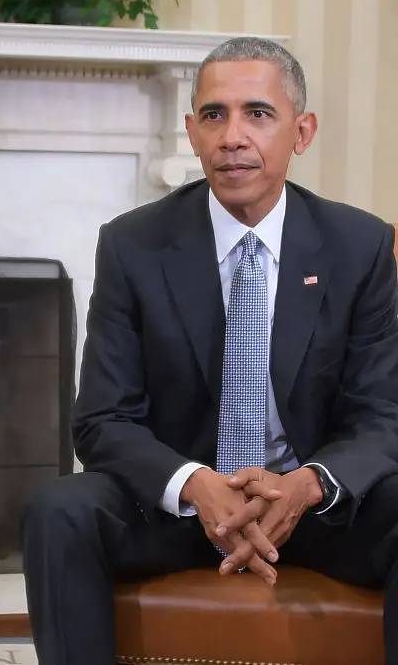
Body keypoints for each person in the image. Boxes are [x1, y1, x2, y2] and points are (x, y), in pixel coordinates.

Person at [21, 35, 398, 664]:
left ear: (300, 132)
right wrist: (196, 486)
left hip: (311, 509)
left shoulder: (358, 246)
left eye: (258, 113)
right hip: (178, 510)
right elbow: (102, 420)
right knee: (59, 510)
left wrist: (307, 486)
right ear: (192, 133)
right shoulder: (132, 246)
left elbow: (382, 416)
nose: (232, 137)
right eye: (214, 116)